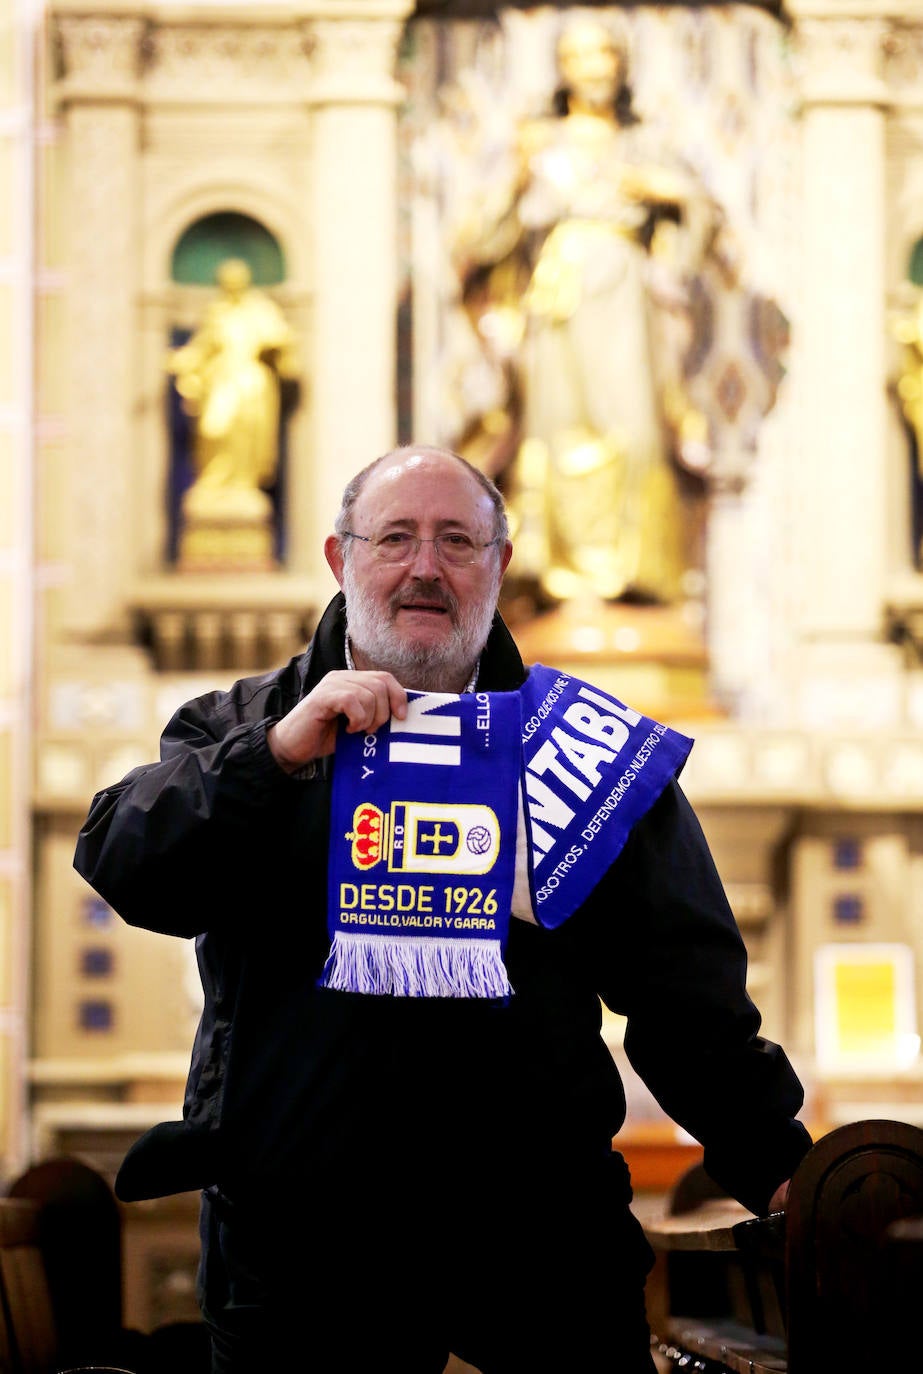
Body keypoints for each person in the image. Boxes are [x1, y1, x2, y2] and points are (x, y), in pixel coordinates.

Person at [74, 444, 811, 1373]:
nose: (425, 566)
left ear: (499, 567)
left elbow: (685, 999)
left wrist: (779, 1165)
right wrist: (276, 757)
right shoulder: (244, 725)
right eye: (395, 538)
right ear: (343, 561)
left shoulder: (583, 752)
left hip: (543, 1256)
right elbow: (125, 863)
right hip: (301, 1265)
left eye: (457, 541)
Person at [449, 16, 714, 606]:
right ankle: (555, 577)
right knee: (556, 426)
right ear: (562, 69)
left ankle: (639, 575)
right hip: (557, 299)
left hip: (625, 296)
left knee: (634, 431)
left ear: (620, 66)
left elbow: (698, 234)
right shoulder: (538, 143)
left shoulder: (646, 144)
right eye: (580, 56)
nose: (595, 67)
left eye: (605, 55)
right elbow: (479, 242)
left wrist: (676, 195)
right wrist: (518, 178)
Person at [167, 256, 299, 519]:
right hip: (221, 382)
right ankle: (215, 483)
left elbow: (281, 340)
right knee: (214, 429)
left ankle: (241, 485)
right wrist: (181, 360)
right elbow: (201, 348)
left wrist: (273, 345)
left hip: (250, 384)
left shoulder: (260, 310)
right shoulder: (216, 313)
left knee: (245, 435)